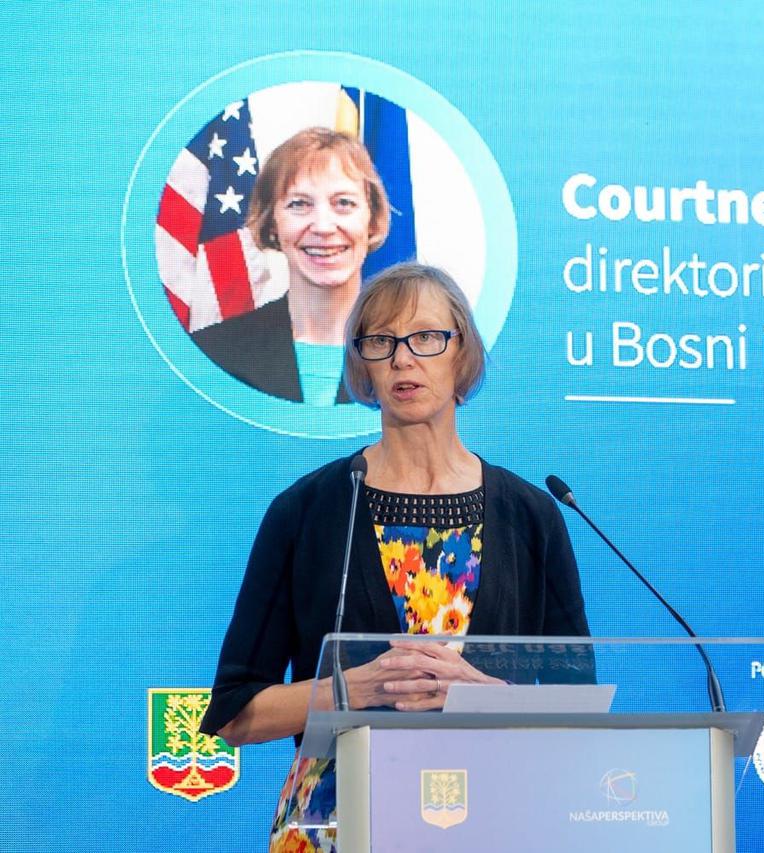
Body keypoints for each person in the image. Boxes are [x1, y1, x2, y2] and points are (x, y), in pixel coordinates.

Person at [200, 262, 591, 851]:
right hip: (334, 826)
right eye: (381, 341)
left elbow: (579, 709)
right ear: (363, 363)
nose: (403, 359)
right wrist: (353, 688)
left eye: (426, 337)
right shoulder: (307, 511)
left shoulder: (531, 515)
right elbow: (234, 713)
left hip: (493, 819)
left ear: (462, 352)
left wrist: (485, 698)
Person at [194, 127, 391, 405]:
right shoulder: (212, 353)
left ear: (371, 219)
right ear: (272, 223)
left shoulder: (419, 355)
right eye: (299, 204)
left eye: (344, 203)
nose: (323, 227)